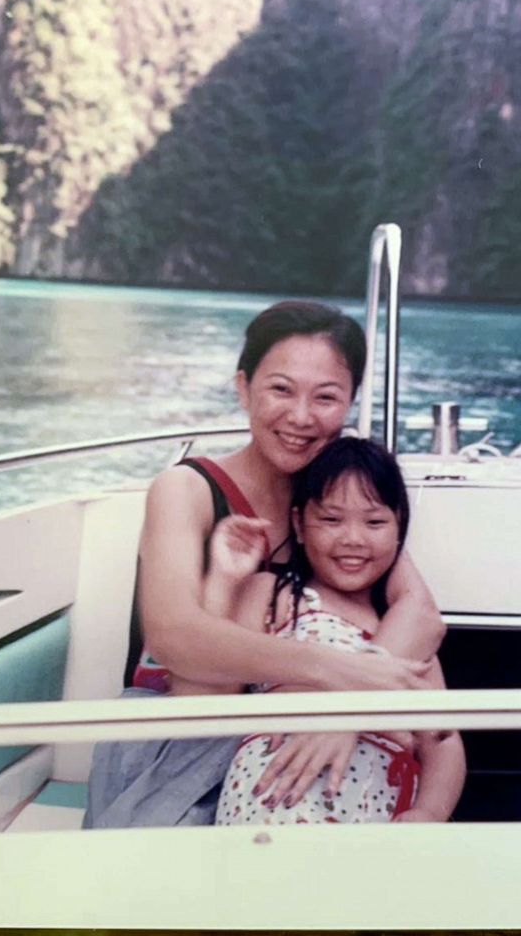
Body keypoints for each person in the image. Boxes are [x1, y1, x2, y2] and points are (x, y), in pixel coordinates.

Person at [83, 301, 444, 829]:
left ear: (349, 403)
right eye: (280, 389)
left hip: (301, 736)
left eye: (326, 397)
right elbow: (176, 634)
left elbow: (421, 611)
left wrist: (348, 709)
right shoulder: (188, 489)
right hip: (183, 733)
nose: (301, 417)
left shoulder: (335, 495)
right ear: (243, 387)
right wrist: (342, 679)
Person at [206, 437, 465, 825]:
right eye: (330, 520)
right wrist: (223, 580)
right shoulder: (275, 595)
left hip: (370, 817)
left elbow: (443, 743)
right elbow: (214, 673)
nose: (353, 539)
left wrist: (429, 811)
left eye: (375, 522)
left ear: (399, 530)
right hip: (267, 807)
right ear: (299, 524)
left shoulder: (401, 631)